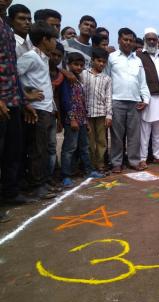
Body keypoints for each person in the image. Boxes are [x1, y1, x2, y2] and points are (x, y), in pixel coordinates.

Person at [1, 0, 35, 216]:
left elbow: (12, 70)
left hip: (13, 99)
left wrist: (23, 101)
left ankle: (10, 193)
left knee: (12, 151)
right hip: (2, 100)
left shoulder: (5, 26)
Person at [17, 21, 57, 199]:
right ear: (44, 39)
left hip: (47, 109)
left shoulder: (44, 57)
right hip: (37, 110)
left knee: (46, 148)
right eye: (53, 39)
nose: (55, 43)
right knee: (37, 149)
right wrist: (26, 96)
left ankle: (44, 182)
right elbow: (13, 75)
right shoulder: (30, 56)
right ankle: (36, 185)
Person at [106, 27, 150, 173]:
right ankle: (116, 163)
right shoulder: (111, 58)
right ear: (119, 40)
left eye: (130, 40)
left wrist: (146, 99)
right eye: (125, 39)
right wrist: (108, 102)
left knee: (134, 135)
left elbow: (142, 82)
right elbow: (107, 80)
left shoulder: (137, 60)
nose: (128, 42)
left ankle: (134, 161)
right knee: (117, 135)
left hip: (134, 102)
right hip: (117, 101)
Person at [59, 52, 104, 187]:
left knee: (84, 147)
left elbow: (82, 101)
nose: (78, 67)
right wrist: (72, 119)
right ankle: (66, 175)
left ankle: (88, 170)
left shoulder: (79, 80)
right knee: (69, 148)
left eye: (81, 65)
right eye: (75, 65)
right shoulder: (66, 79)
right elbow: (66, 101)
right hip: (71, 120)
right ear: (69, 64)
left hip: (82, 120)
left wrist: (85, 120)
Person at [138, 27, 159, 168]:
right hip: (147, 98)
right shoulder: (139, 56)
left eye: (154, 39)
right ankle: (142, 158)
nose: (152, 42)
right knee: (145, 130)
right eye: (149, 39)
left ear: (158, 41)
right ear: (145, 40)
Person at [80, 48, 112, 172]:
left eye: (104, 62)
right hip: (87, 114)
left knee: (101, 141)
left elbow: (108, 97)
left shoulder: (107, 79)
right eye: (99, 61)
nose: (101, 64)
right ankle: (90, 165)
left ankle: (100, 163)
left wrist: (109, 115)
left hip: (101, 113)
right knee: (89, 141)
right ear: (93, 60)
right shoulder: (83, 74)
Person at [48, 41, 65, 187]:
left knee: (52, 145)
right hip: (36, 110)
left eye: (58, 56)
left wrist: (59, 119)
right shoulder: (41, 68)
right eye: (52, 54)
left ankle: (53, 173)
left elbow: (58, 98)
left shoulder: (60, 75)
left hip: (52, 112)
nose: (55, 58)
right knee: (39, 148)